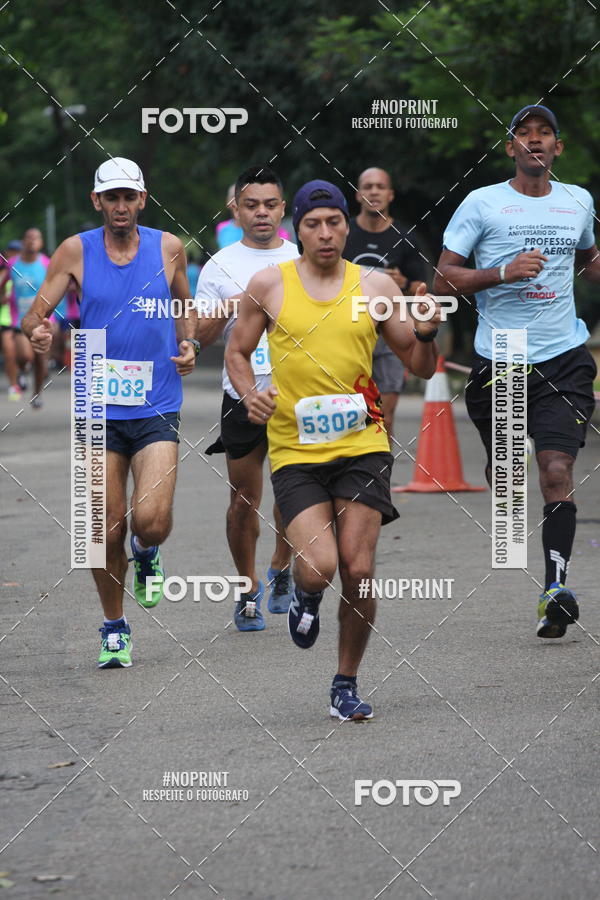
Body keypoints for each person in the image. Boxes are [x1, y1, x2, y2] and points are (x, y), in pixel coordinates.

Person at [226, 180, 440, 719]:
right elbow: (237, 350)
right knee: (319, 567)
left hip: (364, 443)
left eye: (335, 222)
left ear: (348, 224)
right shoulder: (269, 285)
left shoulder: (374, 287)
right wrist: (250, 394)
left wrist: (429, 332)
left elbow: (417, 365)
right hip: (296, 450)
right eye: (313, 224)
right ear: (295, 229)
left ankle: (345, 682)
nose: (325, 234)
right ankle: (306, 594)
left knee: (359, 567)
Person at [22, 157, 198, 668]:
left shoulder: (169, 249)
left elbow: (183, 304)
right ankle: (115, 626)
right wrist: (40, 330)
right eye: (111, 197)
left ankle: (148, 553)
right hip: (94, 404)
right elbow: (39, 312)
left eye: (129, 196)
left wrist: (187, 342)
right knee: (101, 529)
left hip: (157, 399)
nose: (120, 206)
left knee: (152, 520)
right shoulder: (75, 250)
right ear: (96, 201)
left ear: (143, 199)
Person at [433, 104, 600, 640]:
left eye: (544, 132)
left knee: (555, 470)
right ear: (510, 148)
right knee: (505, 482)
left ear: (558, 147)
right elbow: (442, 279)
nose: (534, 141)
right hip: (500, 357)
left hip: (565, 357)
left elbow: (589, 260)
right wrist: (501, 272)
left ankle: (555, 589)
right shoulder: (482, 203)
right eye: (524, 134)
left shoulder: (578, 201)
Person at [197, 165, 298, 630]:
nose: (261, 213)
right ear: (235, 209)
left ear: (283, 207)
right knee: (243, 499)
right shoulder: (219, 264)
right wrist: (237, 304)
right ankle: (246, 586)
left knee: (294, 493)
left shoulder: (302, 257)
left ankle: (280, 566)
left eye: (270, 204)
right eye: (251, 204)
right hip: (240, 392)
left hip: (295, 393)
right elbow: (199, 333)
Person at [343, 167, 427, 442]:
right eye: (368, 187)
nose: (374, 192)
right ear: (358, 195)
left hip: (391, 334)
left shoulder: (405, 237)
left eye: (380, 187)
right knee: (348, 411)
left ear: (390, 195)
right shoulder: (342, 233)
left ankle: (379, 477)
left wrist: (402, 282)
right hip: (349, 331)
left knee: (384, 414)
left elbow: (420, 288)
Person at [6, 228, 53, 407]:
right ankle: (23, 369)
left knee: (41, 359)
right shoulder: (12, 264)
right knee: (25, 355)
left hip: (43, 317)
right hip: (20, 317)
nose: (32, 241)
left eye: (36, 238)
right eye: (29, 237)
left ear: (41, 243)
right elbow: (3, 282)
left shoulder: (46, 263)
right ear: (23, 241)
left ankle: (37, 394)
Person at [216, 182, 292, 250]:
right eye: (233, 197)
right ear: (227, 202)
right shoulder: (222, 228)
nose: (236, 200)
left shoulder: (273, 230)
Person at [0, 239, 22, 399]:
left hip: (20, 319)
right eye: (11, 251)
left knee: (23, 355)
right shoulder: (3, 273)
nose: (14, 254)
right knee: (9, 354)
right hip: (5, 319)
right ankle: (14, 384)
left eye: (17, 251)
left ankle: (22, 371)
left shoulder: (23, 272)